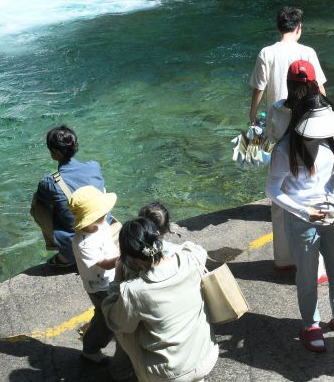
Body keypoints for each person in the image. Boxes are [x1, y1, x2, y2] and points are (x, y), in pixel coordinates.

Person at [266, 94, 334, 353]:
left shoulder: (333, 136)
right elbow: (272, 190)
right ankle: (310, 324)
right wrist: (303, 210)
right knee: (308, 276)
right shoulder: (284, 149)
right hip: (302, 221)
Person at [248, 7, 327, 271]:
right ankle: (313, 253)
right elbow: (320, 89)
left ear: (278, 27)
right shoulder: (308, 52)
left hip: (279, 122)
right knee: (310, 183)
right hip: (309, 122)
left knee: (279, 187)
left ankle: (283, 259)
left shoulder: (266, 53)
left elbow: (259, 89)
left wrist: (252, 119)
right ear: (299, 27)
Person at [102, 218, 218, 382]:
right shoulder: (190, 260)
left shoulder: (134, 291)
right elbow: (197, 250)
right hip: (206, 356)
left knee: (123, 324)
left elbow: (114, 320)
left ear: (133, 258)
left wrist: (117, 280)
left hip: (168, 373)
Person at [68, 185, 128, 369]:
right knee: (105, 319)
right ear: (90, 217)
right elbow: (103, 263)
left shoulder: (99, 224)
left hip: (109, 279)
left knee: (104, 315)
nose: (106, 214)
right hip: (99, 287)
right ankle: (90, 350)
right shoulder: (83, 242)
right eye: (102, 212)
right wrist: (123, 255)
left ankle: (95, 342)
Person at [34, 125, 110, 268]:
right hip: (102, 227)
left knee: (39, 203)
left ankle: (67, 253)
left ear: (55, 153)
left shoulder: (50, 183)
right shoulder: (94, 166)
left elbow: (40, 202)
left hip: (76, 239)